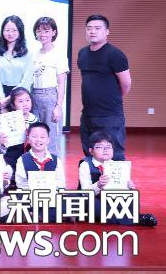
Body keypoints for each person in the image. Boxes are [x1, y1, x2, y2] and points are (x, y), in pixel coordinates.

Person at [77, 14, 130, 160]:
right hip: (87, 114)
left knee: (114, 155)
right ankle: (94, 177)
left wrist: (113, 98)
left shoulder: (115, 54)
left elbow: (126, 84)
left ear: (107, 31)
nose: (92, 31)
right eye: (89, 28)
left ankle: (115, 177)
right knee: (90, 154)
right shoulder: (82, 53)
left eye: (97, 28)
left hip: (110, 115)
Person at [78, 131, 157, 227]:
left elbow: (122, 190)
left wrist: (129, 187)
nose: (105, 150)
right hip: (94, 198)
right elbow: (85, 192)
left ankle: (123, 218)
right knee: (95, 206)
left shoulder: (117, 165)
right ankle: (135, 219)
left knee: (133, 200)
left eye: (108, 147)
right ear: (91, 151)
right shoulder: (85, 164)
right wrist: (98, 185)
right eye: (100, 147)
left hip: (112, 199)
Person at [28, 16, 69, 157]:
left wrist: (58, 106)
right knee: (35, 136)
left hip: (50, 97)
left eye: (46, 31)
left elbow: (61, 83)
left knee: (51, 137)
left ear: (54, 32)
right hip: (34, 96)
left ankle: (53, 167)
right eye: (39, 31)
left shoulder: (59, 54)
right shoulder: (35, 54)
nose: (42, 34)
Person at [14, 122, 65, 222]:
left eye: (42, 137)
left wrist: (49, 188)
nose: (38, 140)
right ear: (28, 139)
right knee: (17, 199)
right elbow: (21, 184)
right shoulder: (22, 159)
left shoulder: (56, 160)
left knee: (68, 199)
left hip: (50, 197)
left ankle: (36, 215)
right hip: (30, 197)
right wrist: (34, 191)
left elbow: (61, 183)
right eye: (34, 136)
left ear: (48, 140)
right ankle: (45, 215)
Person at [0, 16, 33, 108]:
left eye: (14, 30)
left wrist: (9, 99)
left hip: (21, 98)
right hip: (1, 98)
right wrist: (1, 99)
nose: (10, 33)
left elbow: (27, 80)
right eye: (7, 30)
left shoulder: (28, 55)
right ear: (3, 32)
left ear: (20, 32)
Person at [0, 87, 39, 170]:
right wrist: (2, 142)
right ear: (13, 105)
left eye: (27, 100)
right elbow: (2, 147)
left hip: (30, 158)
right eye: (20, 101)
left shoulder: (35, 120)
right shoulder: (7, 120)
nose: (25, 104)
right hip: (11, 157)